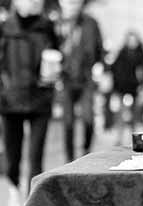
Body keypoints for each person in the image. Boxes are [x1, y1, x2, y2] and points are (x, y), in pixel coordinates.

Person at [0, 0, 59, 206]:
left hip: (40, 98)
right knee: (12, 155)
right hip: (10, 99)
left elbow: (58, 56)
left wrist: (54, 71)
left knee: (36, 156)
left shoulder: (47, 26)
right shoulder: (5, 27)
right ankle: (14, 189)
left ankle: (32, 205)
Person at [55, 0, 105, 160]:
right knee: (68, 122)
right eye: (69, 3)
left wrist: (101, 68)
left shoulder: (90, 23)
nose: (73, 6)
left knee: (88, 118)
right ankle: (69, 159)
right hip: (65, 79)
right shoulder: (57, 23)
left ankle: (86, 151)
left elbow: (99, 48)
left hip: (86, 78)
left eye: (76, 3)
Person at [107, 31, 143, 131]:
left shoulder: (141, 55)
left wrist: (141, 85)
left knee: (134, 114)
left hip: (134, 87)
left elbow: (142, 72)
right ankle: (119, 135)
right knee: (120, 113)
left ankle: (133, 134)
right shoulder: (121, 54)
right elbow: (115, 69)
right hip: (121, 87)